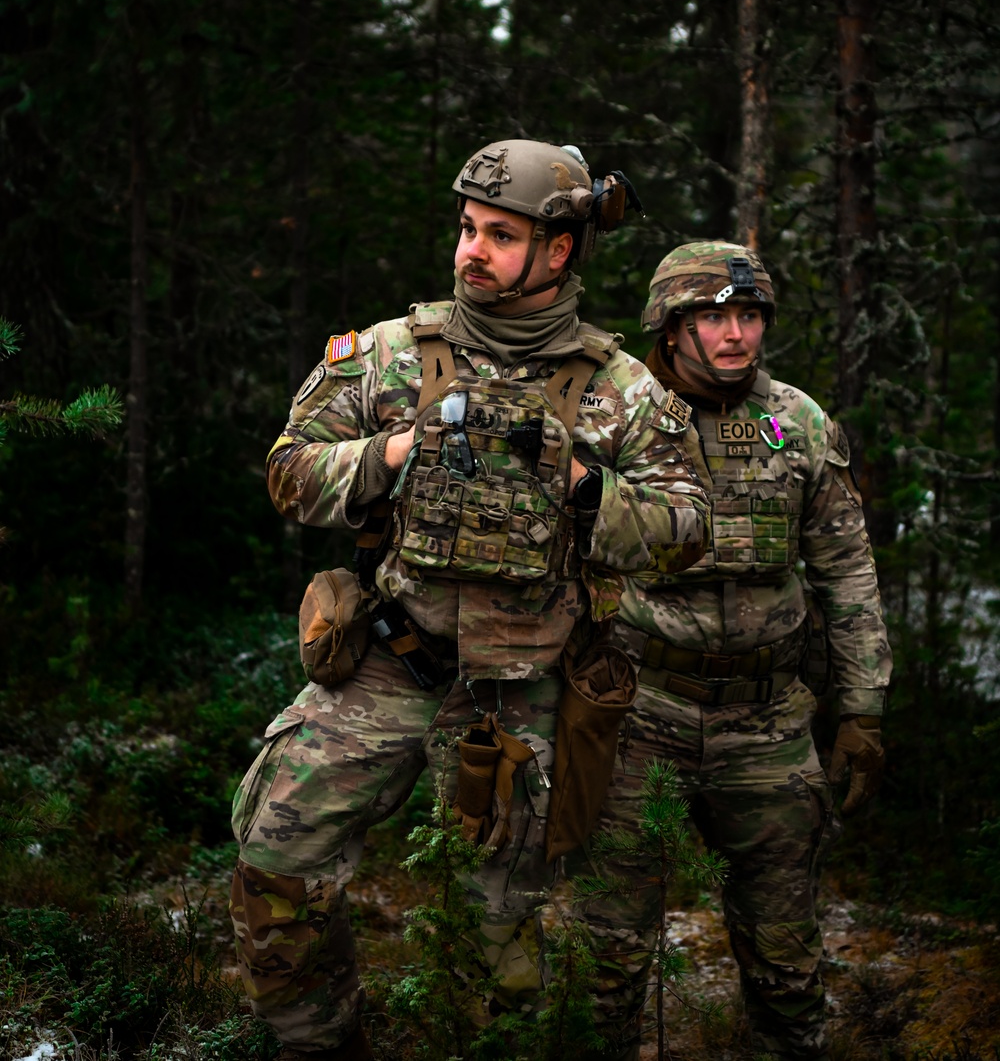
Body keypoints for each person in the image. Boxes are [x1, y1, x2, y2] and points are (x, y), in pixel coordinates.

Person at [228, 141, 709, 1061]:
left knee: (496, 954)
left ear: (559, 251)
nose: (468, 252)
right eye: (465, 229)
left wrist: (582, 485)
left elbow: (688, 532)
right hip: (388, 664)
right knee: (273, 867)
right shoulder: (389, 355)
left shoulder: (620, 391)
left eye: (498, 234)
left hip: (521, 699)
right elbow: (288, 474)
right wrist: (389, 455)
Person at [599, 240, 891, 1060]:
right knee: (608, 952)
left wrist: (862, 708)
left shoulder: (796, 421)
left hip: (765, 720)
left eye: (750, 315)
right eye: (715, 317)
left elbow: (846, 569)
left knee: (785, 955)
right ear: (669, 326)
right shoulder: (614, 415)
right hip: (638, 714)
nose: (737, 334)